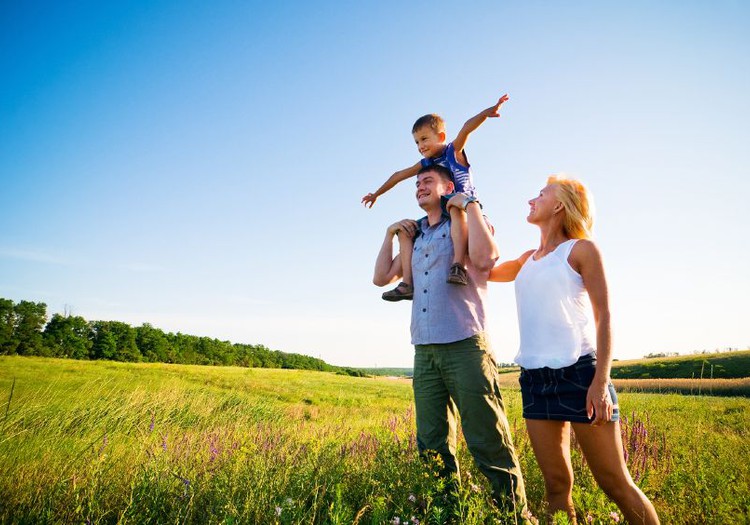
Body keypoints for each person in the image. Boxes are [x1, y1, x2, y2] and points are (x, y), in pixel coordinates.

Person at [486, 175, 660, 524]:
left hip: (581, 375)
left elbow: (604, 316)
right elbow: (483, 270)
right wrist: (476, 223)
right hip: (535, 379)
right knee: (555, 485)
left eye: (540, 194)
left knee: (614, 482)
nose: (530, 200)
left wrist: (600, 382)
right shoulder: (526, 260)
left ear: (559, 205)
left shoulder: (581, 250)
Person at [372, 164, 528, 519]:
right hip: (424, 350)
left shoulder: (467, 222)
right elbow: (381, 277)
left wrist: (469, 204)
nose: (419, 187)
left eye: (427, 181)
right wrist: (390, 233)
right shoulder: (418, 235)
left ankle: (513, 515)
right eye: (416, 184)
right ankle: (446, 512)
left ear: (447, 186)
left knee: (487, 437)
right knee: (431, 443)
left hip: (465, 344)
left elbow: (488, 259)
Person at [363, 94, 510, 302]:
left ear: (440, 137)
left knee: (454, 208)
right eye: (416, 142)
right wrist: (377, 193)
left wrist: (487, 113)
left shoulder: (452, 151)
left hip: (463, 206)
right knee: (406, 231)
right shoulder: (425, 164)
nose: (420, 146)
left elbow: (466, 128)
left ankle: (457, 265)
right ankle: (407, 283)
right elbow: (398, 175)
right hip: (441, 212)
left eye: (424, 139)